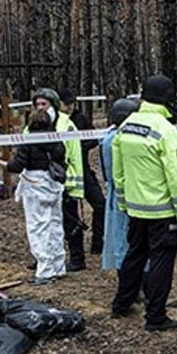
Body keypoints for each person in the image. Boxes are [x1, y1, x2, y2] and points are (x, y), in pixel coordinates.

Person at [109, 75, 177, 331]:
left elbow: (118, 172)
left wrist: (123, 202)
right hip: (162, 211)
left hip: (135, 208)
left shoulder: (126, 126)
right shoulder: (167, 131)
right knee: (161, 261)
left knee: (134, 255)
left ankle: (121, 303)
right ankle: (155, 316)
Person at [0, 109, 67, 284]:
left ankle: (45, 271)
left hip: (35, 187)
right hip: (55, 185)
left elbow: (16, 166)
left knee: (38, 228)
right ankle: (59, 266)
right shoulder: (57, 139)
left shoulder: (28, 141)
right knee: (55, 226)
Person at [31, 87, 86, 271]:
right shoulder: (31, 125)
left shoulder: (66, 125)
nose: (40, 107)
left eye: (44, 104)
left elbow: (75, 156)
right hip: (40, 184)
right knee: (43, 223)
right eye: (37, 104)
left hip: (64, 182)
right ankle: (44, 256)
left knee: (70, 223)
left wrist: (75, 186)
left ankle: (77, 258)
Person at [59, 89, 107, 257]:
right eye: (67, 103)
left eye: (72, 103)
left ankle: (98, 242)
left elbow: (93, 138)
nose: (70, 106)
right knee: (69, 213)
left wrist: (80, 148)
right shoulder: (55, 122)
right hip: (66, 174)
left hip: (84, 170)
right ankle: (73, 252)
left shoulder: (80, 118)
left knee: (101, 205)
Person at [98, 97, 139, 271]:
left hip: (120, 193)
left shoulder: (109, 137)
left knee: (123, 237)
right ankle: (131, 281)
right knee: (124, 238)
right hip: (125, 193)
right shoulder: (115, 140)